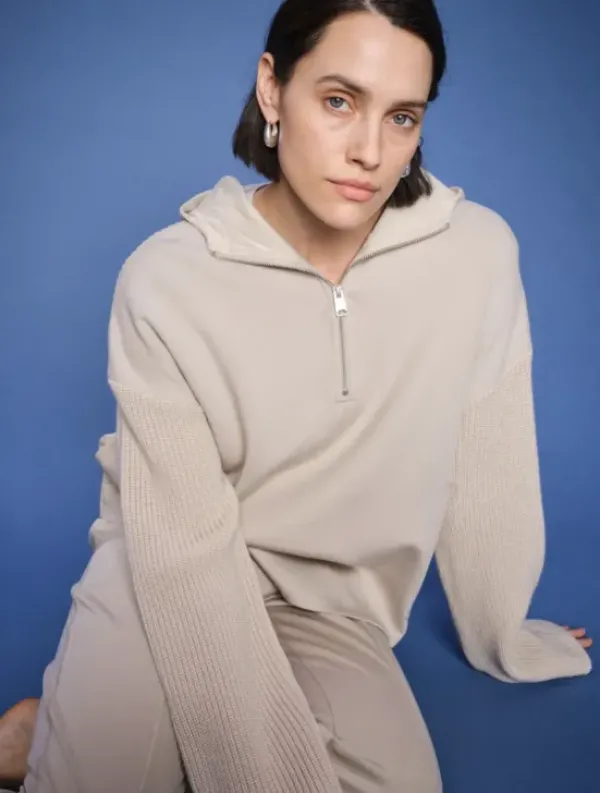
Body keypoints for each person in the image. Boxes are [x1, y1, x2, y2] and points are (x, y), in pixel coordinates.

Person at [0, 0, 594, 791]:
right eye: (339, 100)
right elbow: (185, 554)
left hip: (331, 608)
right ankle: (46, 738)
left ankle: (54, 724)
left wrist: (503, 631)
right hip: (162, 572)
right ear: (272, 88)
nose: (370, 152)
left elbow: (492, 461)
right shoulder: (167, 279)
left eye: (403, 116)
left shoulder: (477, 255)